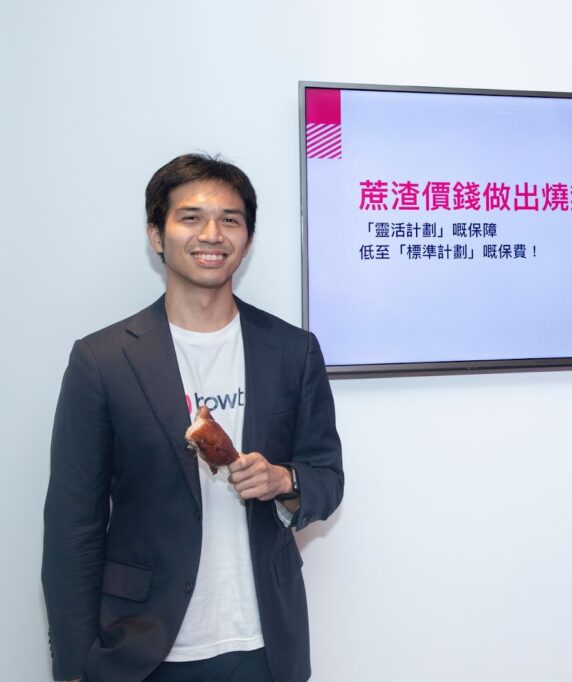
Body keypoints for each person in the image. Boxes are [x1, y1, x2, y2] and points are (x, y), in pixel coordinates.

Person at [42, 154, 345, 681]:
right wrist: (73, 666)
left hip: (264, 643)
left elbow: (327, 478)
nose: (213, 234)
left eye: (231, 219)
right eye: (190, 217)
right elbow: (74, 526)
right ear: (156, 235)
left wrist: (283, 481)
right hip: (144, 650)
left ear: (247, 240)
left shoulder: (293, 350)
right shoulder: (103, 360)